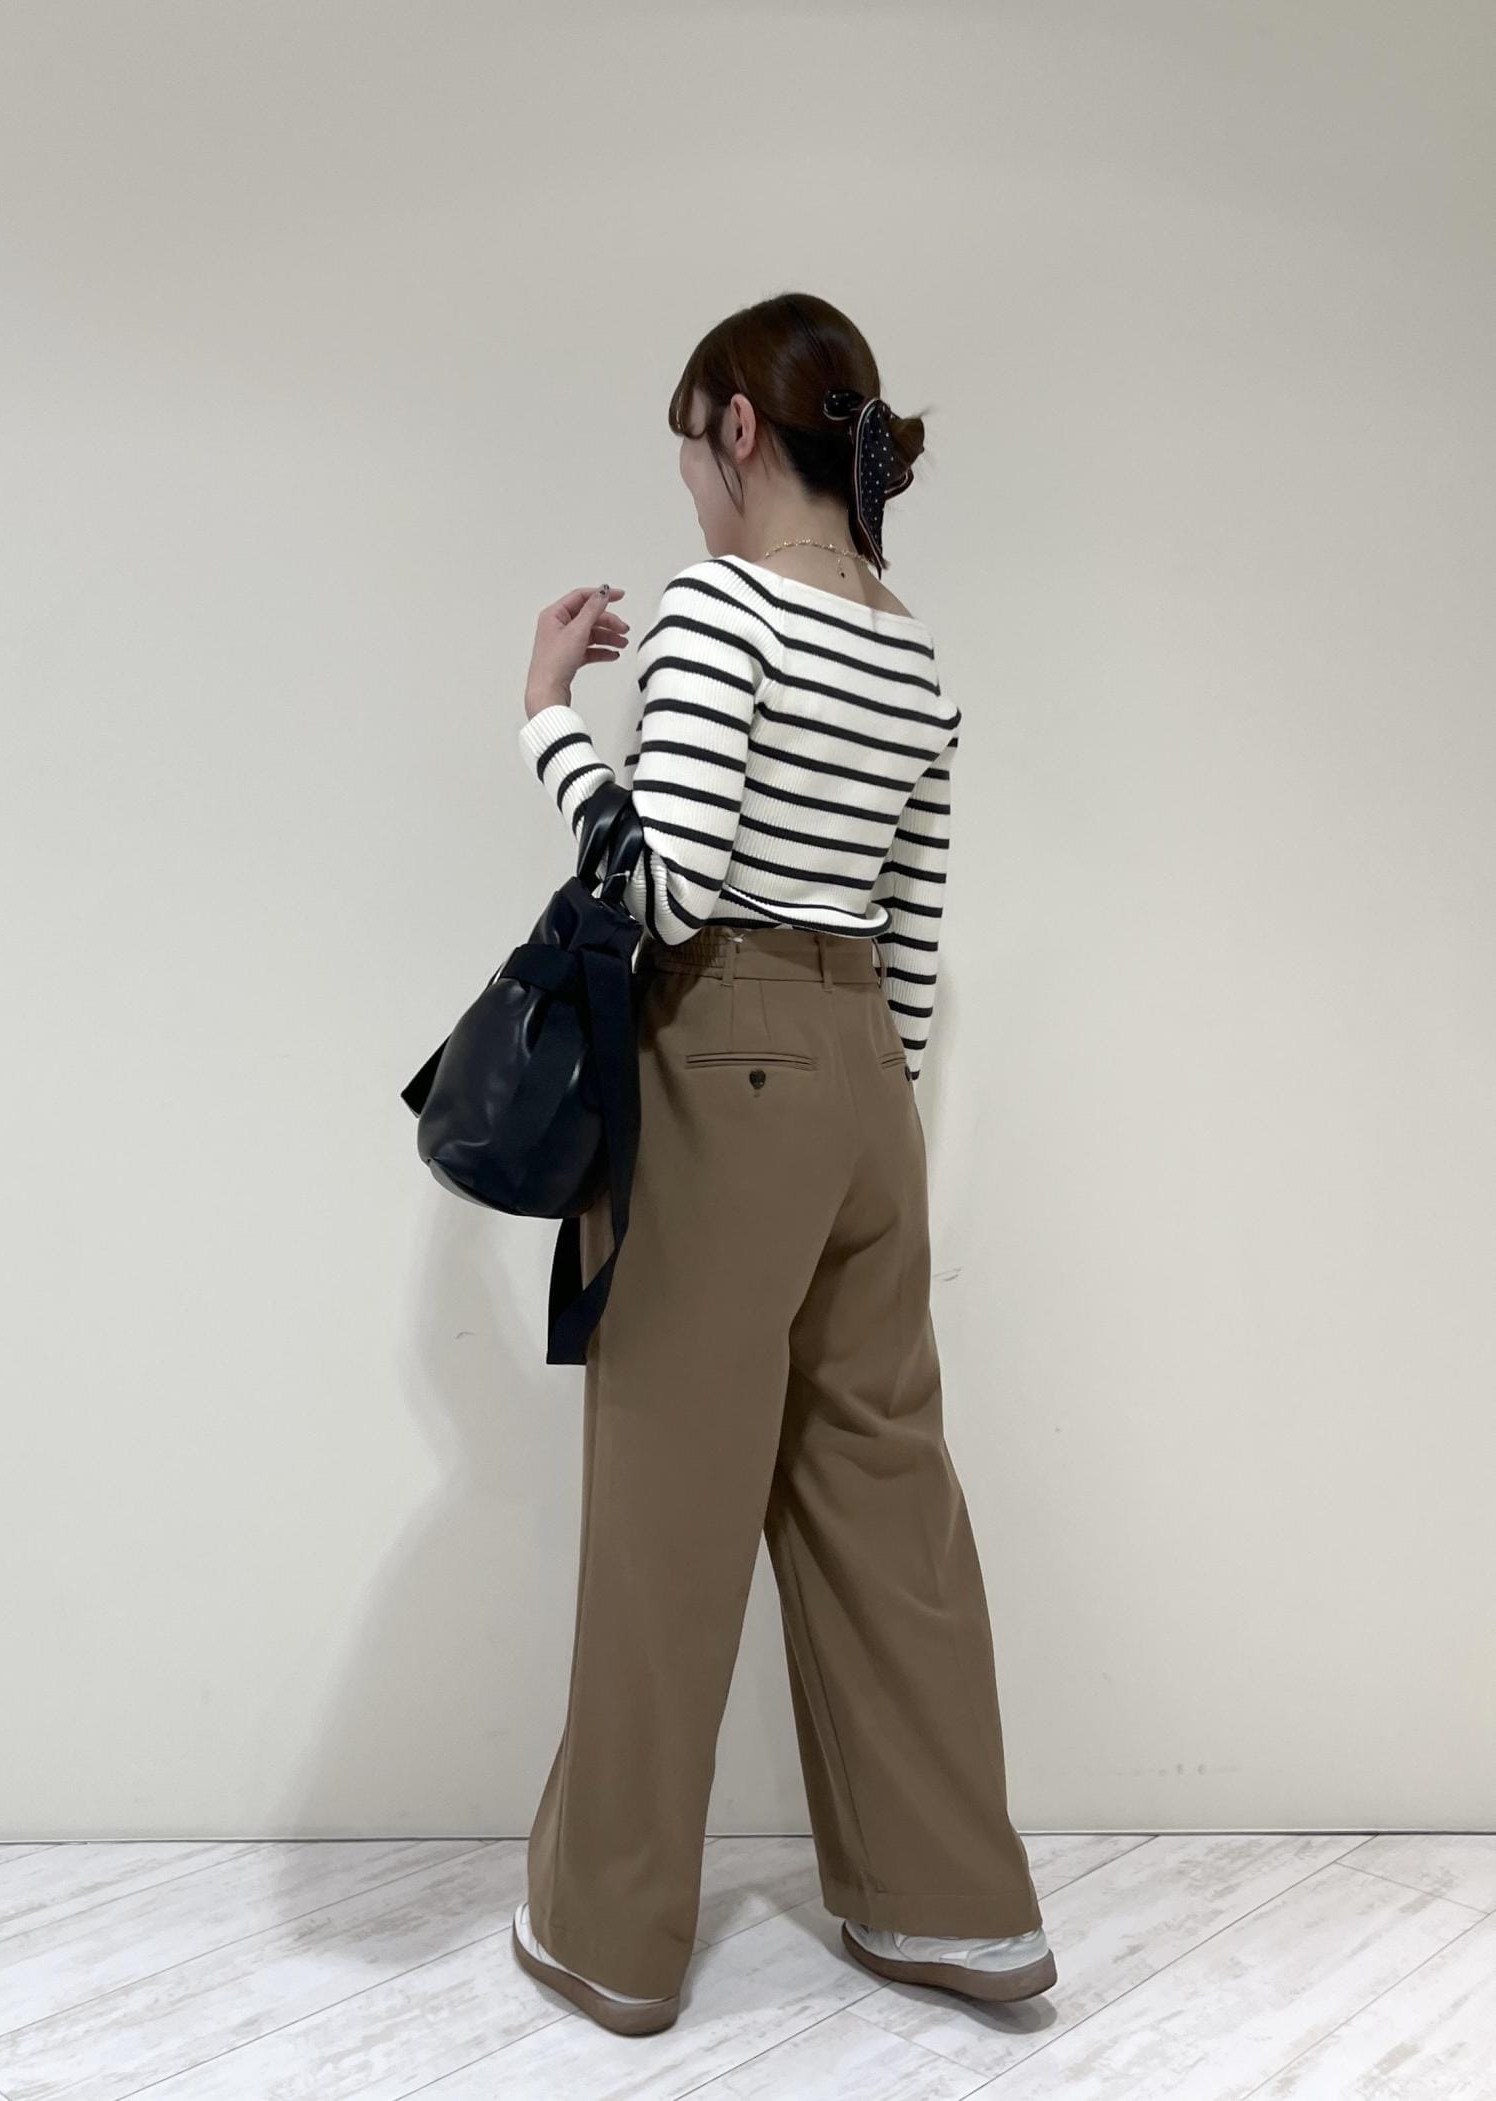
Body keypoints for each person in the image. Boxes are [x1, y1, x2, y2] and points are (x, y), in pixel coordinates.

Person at [506, 291, 1057, 2037]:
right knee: (885, 1493)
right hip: (863, 1090)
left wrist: (546, 715)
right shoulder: (915, 652)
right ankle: (959, 1910)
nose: (686, 480)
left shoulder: (719, 611)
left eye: (689, 442)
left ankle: (608, 1936)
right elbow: (913, 941)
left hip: (722, 1058)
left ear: (741, 427)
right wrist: (864, 1107)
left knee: (669, 1508)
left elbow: (661, 889)